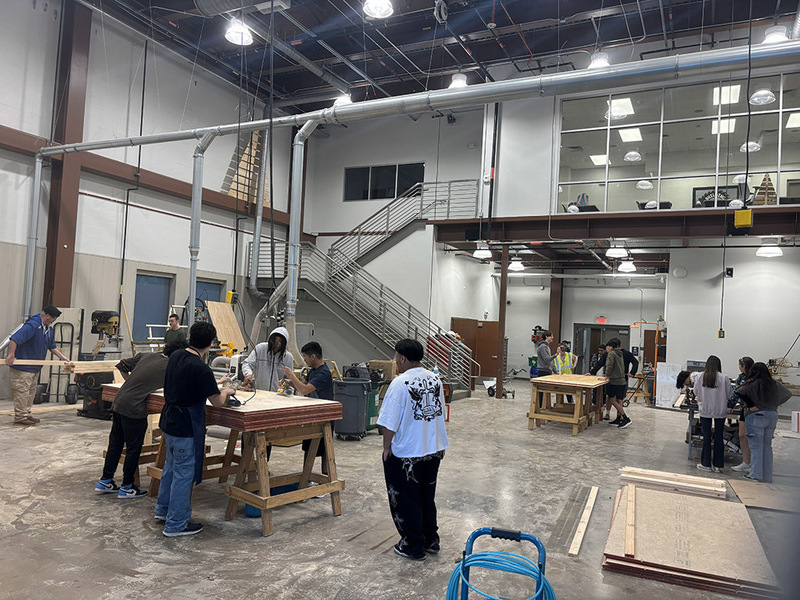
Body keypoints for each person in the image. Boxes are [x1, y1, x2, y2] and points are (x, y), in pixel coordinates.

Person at [155, 322, 236, 537]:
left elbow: (189, 385)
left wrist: (215, 384)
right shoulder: (201, 368)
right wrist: (227, 391)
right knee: (183, 474)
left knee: (170, 468)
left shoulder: (176, 356)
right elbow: (217, 402)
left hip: (169, 421)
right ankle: (176, 524)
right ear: (211, 343)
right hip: (185, 426)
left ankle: (163, 511)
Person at [377, 339, 448, 561]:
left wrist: (387, 447)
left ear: (402, 358)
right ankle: (430, 539)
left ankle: (412, 545)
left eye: (396, 357)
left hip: (408, 452)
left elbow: (389, 422)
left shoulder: (400, 383)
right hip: (433, 448)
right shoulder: (435, 380)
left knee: (406, 499)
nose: (396, 361)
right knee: (426, 495)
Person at [95, 339, 188, 498]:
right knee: (133, 447)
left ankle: (105, 480)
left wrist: (132, 383)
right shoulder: (171, 366)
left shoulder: (147, 355)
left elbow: (122, 365)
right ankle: (127, 486)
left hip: (119, 401)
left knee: (116, 443)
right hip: (133, 407)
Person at [5, 305, 70, 425]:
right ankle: (20, 417)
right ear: (47, 316)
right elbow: (14, 339)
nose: (54, 321)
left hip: (35, 367)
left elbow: (52, 347)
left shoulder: (48, 329)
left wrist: (62, 357)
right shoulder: (33, 325)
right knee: (22, 391)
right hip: (23, 368)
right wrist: (11, 355)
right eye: (53, 318)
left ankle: (26, 414)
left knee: (30, 392)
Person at [282, 341, 334, 480]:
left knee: (324, 452)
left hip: (324, 417)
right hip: (313, 416)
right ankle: (307, 477)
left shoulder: (323, 374)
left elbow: (304, 390)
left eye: (305, 357)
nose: (304, 360)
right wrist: (289, 382)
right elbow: (303, 385)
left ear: (313, 356)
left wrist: (292, 375)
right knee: (308, 449)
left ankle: (326, 480)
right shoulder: (313, 371)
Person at [735, 362, 792, 483]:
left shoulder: (753, 383)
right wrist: (775, 403)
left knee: (756, 447)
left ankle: (755, 474)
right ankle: (767, 475)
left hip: (757, 416)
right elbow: (788, 394)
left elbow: (739, 391)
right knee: (767, 446)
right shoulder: (773, 383)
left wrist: (750, 405)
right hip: (772, 415)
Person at [693, 355, 732, 473]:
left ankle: (706, 464)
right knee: (719, 437)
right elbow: (730, 394)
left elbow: (696, 392)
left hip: (705, 410)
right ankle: (718, 465)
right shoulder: (724, 378)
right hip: (720, 411)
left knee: (706, 437)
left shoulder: (700, 377)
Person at [587, 338, 638, 420]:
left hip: (616, 378)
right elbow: (600, 363)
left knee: (614, 398)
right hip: (616, 378)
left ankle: (622, 416)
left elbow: (635, 362)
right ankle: (611, 414)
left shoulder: (621, 353)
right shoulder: (611, 353)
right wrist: (592, 372)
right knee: (616, 397)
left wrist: (632, 372)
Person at [242, 326, 293, 392]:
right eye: (274, 342)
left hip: (277, 395)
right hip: (259, 392)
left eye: (279, 343)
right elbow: (247, 363)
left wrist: (286, 387)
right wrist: (249, 374)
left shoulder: (288, 357)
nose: (276, 345)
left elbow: (290, 379)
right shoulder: (260, 349)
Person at [728, 357, 754, 473]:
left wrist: (730, 405)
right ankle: (747, 462)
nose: (739, 367)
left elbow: (736, 393)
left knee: (748, 436)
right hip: (748, 410)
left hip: (752, 410)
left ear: (743, 366)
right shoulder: (744, 377)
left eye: (740, 365)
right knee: (744, 435)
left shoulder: (747, 378)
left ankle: (751, 463)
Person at [604, 339, 632, 428]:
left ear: (610, 347)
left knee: (612, 400)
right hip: (622, 380)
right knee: (619, 400)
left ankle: (625, 418)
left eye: (607, 347)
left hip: (615, 381)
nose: (606, 349)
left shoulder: (611, 354)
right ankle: (618, 418)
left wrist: (606, 375)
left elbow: (609, 365)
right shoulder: (620, 353)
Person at [530, 330, 554, 407]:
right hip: (543, 371)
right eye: (551, 336)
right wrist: (556, 355)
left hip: (546, 370)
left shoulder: (546, 346)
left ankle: (543, 407)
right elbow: (547, 359)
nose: (552, 338)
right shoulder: (543, 347)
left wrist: (553, 370)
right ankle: (539, 408)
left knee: (544, 392)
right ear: (547, 337)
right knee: (541, 392)